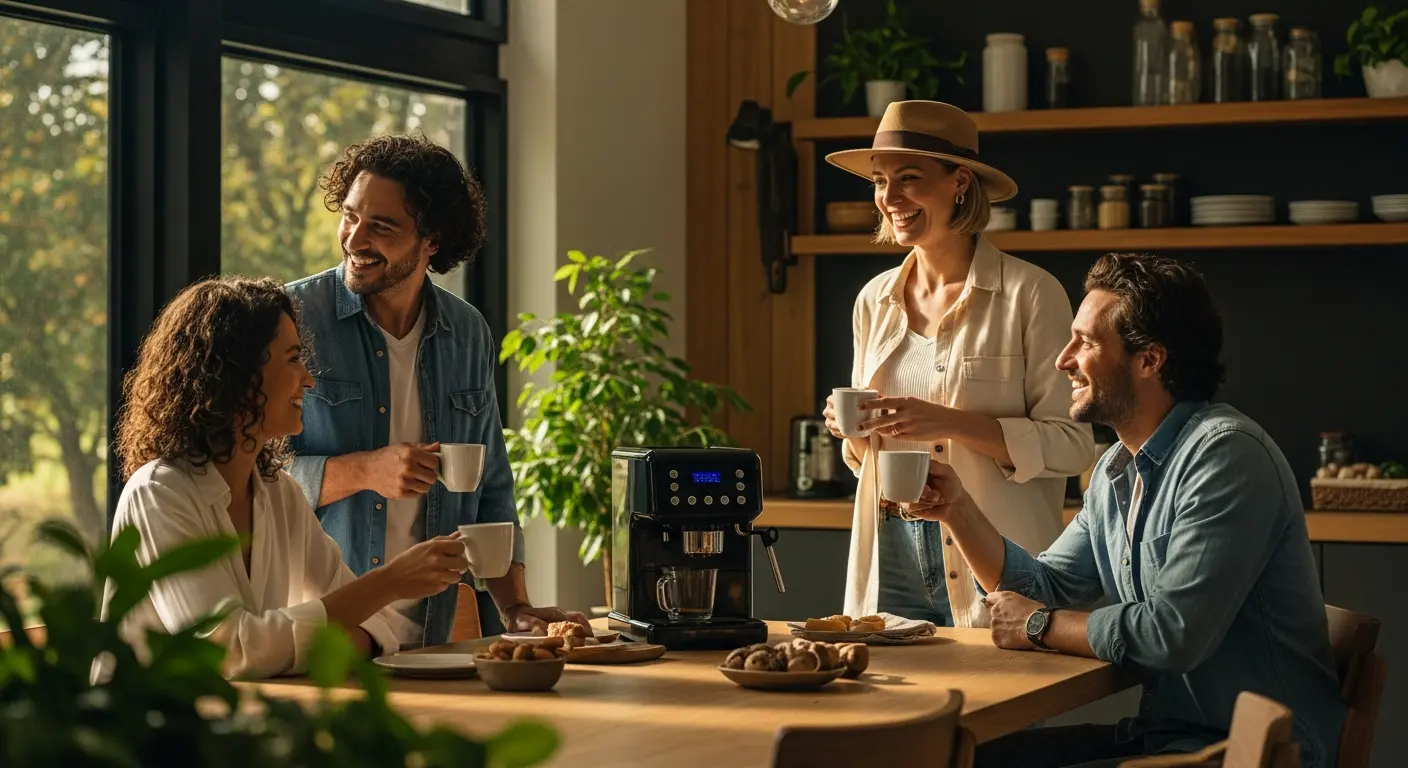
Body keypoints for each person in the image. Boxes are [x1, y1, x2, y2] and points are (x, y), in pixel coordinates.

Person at [906, 253, 1345, 767]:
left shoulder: (1226, 456)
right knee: (957, 756)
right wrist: (957, 508)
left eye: (1086, 343)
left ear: (1149, 360)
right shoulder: (1117, 466)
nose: (1062, 360)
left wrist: (1038, 627)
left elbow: (1170, 635)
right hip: (1168, 734)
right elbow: (1043, 589)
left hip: (1248, 752)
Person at [284, 134, 586, 649]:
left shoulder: (467, 332)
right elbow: (252, 480)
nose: (355, 239)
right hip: (321, 632)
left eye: (381, 226)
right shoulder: (292, 318)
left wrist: (515, 609)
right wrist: (364, 471)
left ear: (433, 241)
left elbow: (491, 486)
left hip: (431, 639)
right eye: (351, 216)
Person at [105, 277, 470, 679]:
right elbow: (226, 652)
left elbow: (374, 627)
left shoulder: (279, 493)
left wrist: (274, 648)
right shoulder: (159, 493)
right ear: (238, 374)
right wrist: (389, 582)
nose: (309, 379)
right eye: (293, 358)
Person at [820, 100, 1096, 628]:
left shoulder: (1030, 293)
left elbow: (1071, 443)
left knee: (1002, 704)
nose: (889, 198)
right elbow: (865, 459)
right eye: (880, 181)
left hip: (993, 550)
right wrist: (849, 431)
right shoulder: (872, 299)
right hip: (890, 548)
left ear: (960, 181)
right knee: (895, 702)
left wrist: (948, 422)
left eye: (908, 178)